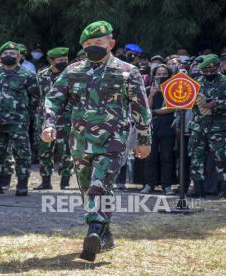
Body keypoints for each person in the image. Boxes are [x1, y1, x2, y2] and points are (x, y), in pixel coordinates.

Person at [41, 21, 152, 261]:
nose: (93, 47)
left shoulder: (127, 72)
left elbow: (140, 109)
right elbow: (53, 100)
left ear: (111, 44)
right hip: (80, 142)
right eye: (88, 44)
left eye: (98, 43)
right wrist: (49, 124)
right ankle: (105, 234)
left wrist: (143, 139)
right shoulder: (73, 71)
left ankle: (94, 230)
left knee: (98, 185)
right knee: (87, 190)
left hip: (113, 140)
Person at [0, 41, 40, 196]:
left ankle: (22, 184)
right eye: (6, 54)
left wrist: (26, 115)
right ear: (0, 57)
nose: (9, 56)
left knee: (22, 153)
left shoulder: (27, 76)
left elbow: (36, 98)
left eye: (12, 54)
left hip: (18, 121)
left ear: (19, 56)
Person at [188, 54, 226, 198]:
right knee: (196, 158)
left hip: (219, 126)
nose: (209, 73)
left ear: (218, 67)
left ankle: (225, 189)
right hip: (198, 126)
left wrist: (217, 104)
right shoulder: (195, 82)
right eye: (206, 71)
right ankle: (197, 188)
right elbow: (187, 101)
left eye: (212, 70)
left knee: (221, 158)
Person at [34, 47, 73, 190]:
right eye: (60, 60)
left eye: (65, 60)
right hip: (45, 119)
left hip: (66, 118)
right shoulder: (41, 75)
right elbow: (36, 95)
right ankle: (45, 182)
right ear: (51, 60)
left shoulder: (71, 75)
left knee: (66, 151)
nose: (64, 62)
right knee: (44, 151)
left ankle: (65, 183)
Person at [141, 65, 176, 195]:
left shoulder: (173, 89)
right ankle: (149, 184)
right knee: (150, 157)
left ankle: (167, 185)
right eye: (158, 73)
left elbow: (171, 108)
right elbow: (146, 108)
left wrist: (154, 111)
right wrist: (151, 95)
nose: (161, 76)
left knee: (166, 157)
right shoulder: (148, 89)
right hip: (152, 127)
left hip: (168, 127)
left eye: (164, 73)